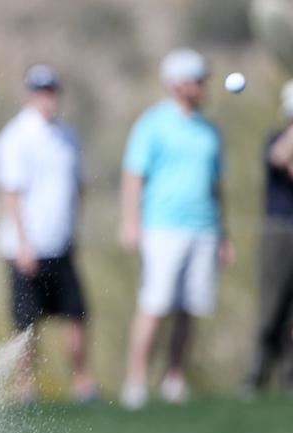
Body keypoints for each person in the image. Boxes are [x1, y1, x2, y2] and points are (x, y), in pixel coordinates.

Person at [119, 49, 233, 409]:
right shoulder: (152, 124)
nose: (203, 87)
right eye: (198, 81)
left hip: (204, 228)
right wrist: (130, 222)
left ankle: (174, 379)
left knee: (190, 307)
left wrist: (224, 233)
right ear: (178, 84)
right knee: (155, 304)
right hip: (163, 228)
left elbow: (217, 186)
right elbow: (133, 177)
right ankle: (136, 381)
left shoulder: (209, 130)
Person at [0, 65, 97, 404]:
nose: (47, 98)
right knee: (26, 322)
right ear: (29, 95)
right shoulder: (15, 137)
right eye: (40, 91)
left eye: (51, 91)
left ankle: (82, 383)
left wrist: (74, 232)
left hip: (61, 243)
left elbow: (76, 188)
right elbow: (12, 195)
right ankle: (25, 386)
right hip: (26, 247)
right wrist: (23, 244)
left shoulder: (68, 136)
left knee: (77, 314)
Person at [242, 80, 293, 396]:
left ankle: (289, 378)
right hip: (279, 230)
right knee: (271, 308)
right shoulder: (276, 138)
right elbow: (280, 158)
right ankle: (254, 378)